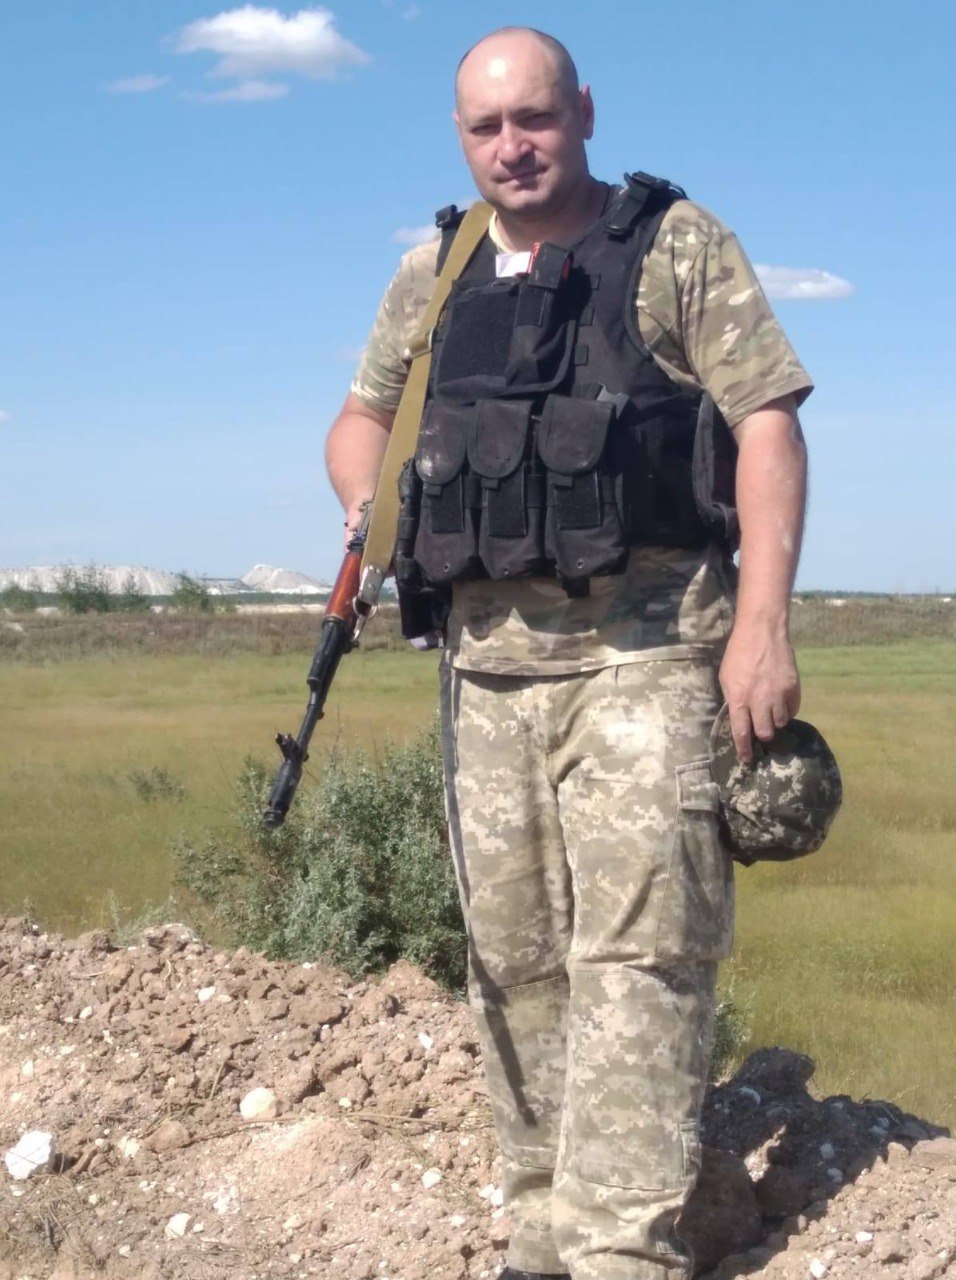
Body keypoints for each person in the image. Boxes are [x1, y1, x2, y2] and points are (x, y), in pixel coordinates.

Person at [326, 27, 812, 1280]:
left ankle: (621, 1251)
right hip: (485, 672)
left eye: (534, 118)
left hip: (646, 657)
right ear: (458, 137)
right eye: (486, 127)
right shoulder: (433, 273)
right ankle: (541, 1230)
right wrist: (371, 507)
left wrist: (760, 624)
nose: (512, 147)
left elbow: (765, 423)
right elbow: (360, 419)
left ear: (583, 111)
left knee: (640, 957)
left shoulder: (675, 245)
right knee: (514, 960)